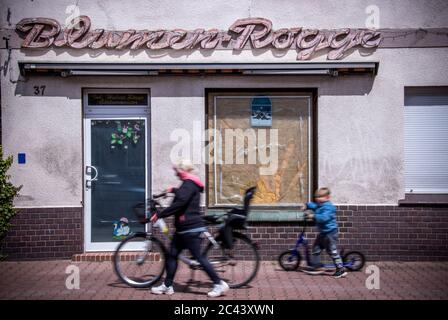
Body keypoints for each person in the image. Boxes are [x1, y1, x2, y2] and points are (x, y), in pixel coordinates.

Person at [150, 159, 229, 297]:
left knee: (199, 258)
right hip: (183, 230)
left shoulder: (189, 184)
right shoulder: (189, 184)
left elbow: (180, 202)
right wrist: (173, 189)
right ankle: (167, 286)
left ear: (183, 170)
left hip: (190, 229)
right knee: (172, 255)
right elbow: (182, 196)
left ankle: (219, 283)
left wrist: (160, 214)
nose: (175, 173)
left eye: (176, 170)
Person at [303, 187, 347, 278]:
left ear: (327, 197)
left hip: (330, 233)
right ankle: (318, 267)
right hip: (323, 233)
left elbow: (324, 217)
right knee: (316, 248)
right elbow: (314, 206)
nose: (317, 199)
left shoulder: (329, 207)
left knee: (332, 251)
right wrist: (307, 205)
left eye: (320, 197)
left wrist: (313, 216)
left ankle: (341, 269)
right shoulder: (320, 205)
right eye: (316, 197)